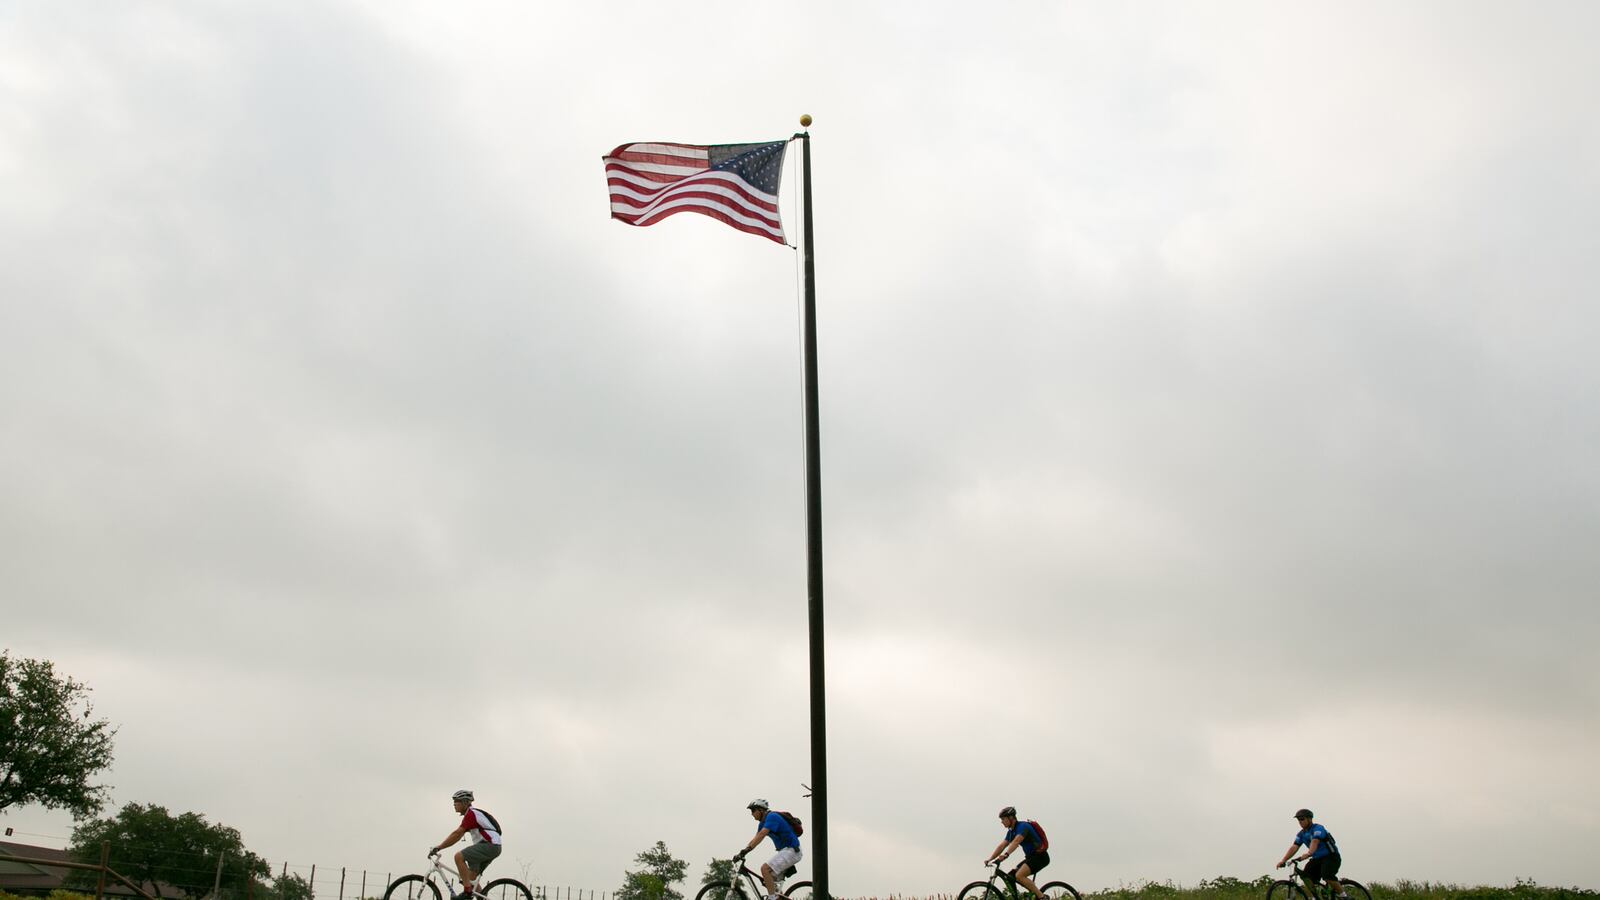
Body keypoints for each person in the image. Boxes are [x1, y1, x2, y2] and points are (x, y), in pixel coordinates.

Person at [430, 789, 503, 900]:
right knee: (470, 878)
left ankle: (467, 892)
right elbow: (457, 836)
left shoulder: (471, 814)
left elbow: (457, 834)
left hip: (490, 845)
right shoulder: (472, 814)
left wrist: (439, 847)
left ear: (465, 802)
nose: (454, 804)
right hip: (492, 846)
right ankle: (479, 896)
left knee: (458, 857)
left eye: (457, 801)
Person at [734, 799, 802, 900]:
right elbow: (756, 839)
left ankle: (772, 898)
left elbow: (761, 835)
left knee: (764, 869)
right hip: (785, 851)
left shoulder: (772, 817)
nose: (752, 814)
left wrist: (746, 850)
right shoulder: (762, 823)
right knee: (768, 880)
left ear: (760, 810)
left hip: (792, 850)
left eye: (753, 811)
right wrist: (743, 851)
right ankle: (778, 897)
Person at [1277, 808, 1349, 900]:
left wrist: (1309, 853)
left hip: (1331, 857)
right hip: (1317, 859)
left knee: (1327, 875)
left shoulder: (1318, 828)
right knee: (1306, 877)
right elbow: (1294, 847)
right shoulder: (1301, 834)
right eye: (1298, 820)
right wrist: (1283, 860)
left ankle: (1344, 895)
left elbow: (1315, 841)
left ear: (1310, 819)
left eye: (1302, 819)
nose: (1300, 822)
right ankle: (1314, 897)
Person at [985, 806, 1048, 900]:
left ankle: (1042, 897)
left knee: (1019, 875)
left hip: (1040, 857)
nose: (1001, 822)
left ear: (1011, 818)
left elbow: (1016, 842)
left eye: (1003, 819)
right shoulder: (1011, 832)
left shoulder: (1023, 826)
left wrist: (1005, 855)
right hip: (1030, 858)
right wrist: (990, 859)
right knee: (1010, 877)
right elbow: (1002, 846)